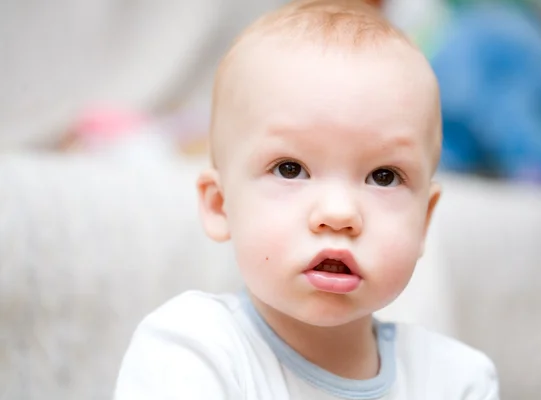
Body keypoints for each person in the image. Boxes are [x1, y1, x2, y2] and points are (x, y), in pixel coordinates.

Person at [114, 1, 499, 399]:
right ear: (219, 204)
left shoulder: (456, 380)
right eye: (290, 169)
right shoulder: (193, 350)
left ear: (424, 221)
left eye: (383, 176)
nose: (339, 214)